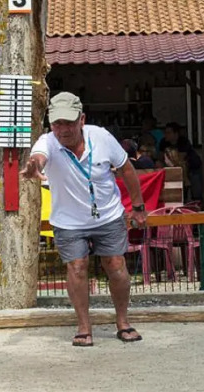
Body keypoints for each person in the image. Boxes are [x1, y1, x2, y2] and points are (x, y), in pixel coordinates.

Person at [22, 92, 149, 347]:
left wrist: (137, 207)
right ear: (50, 124)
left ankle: (123, 322)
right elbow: (39, 157)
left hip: (108, 214)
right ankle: (83, 326)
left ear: (82, 120)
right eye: (57, 123)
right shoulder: (47, 142)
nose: (63, 129)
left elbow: (126, 168)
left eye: (69, 123)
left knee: (115, 265)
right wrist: (34, 166)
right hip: (69, 221)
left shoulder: (100, 136)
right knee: (77, 267)